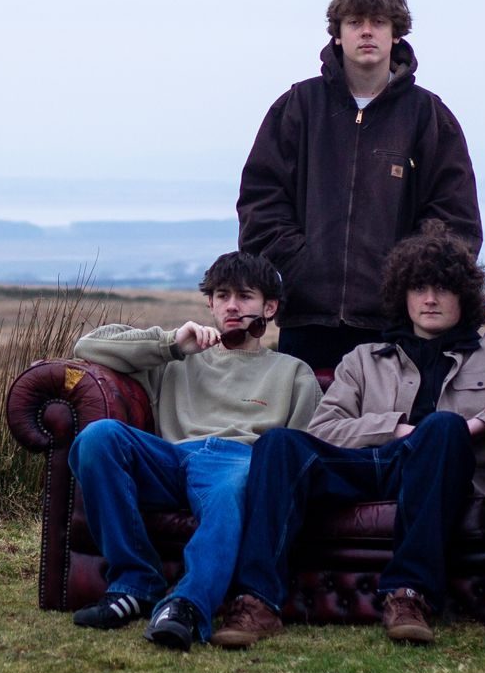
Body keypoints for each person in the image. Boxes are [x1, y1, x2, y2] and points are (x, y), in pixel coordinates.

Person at [210, 220, 485, 648]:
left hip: (444, 469)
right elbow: (326, 427)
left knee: (442, 429)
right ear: (401, 294)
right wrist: (396, 428)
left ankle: (409, 595)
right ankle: (257, 601)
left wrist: (472, 427)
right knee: (279, 443)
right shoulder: (364, 359)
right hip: (373, 464)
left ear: (464, 295)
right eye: (418, 287)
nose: (429, 299)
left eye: (442, 288)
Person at [67, 251, 323, 650]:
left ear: (269, 307)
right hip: (171, 458)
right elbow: (88, 346)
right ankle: (135, 582)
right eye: (222, 296)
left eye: (245, 296)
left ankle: (187, 605)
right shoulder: (179, 357)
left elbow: (299, 451)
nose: (232, 306)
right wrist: (171, 343)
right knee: (98, 438)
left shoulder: (293, 372)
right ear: (210, 303)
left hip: (240, 462)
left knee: (230, 489)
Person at [237, 0, 482, 371]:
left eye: (379, 22)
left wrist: (405, 277)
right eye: (354, 22)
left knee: (392, 432)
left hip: (397, 328)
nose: (366, 31)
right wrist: (302, 265)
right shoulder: (298, 107)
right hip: (307, 322)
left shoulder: (429, 117)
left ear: (396, 33)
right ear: (337, 35)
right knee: (304, 431)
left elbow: (455, 221)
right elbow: (259, 203)